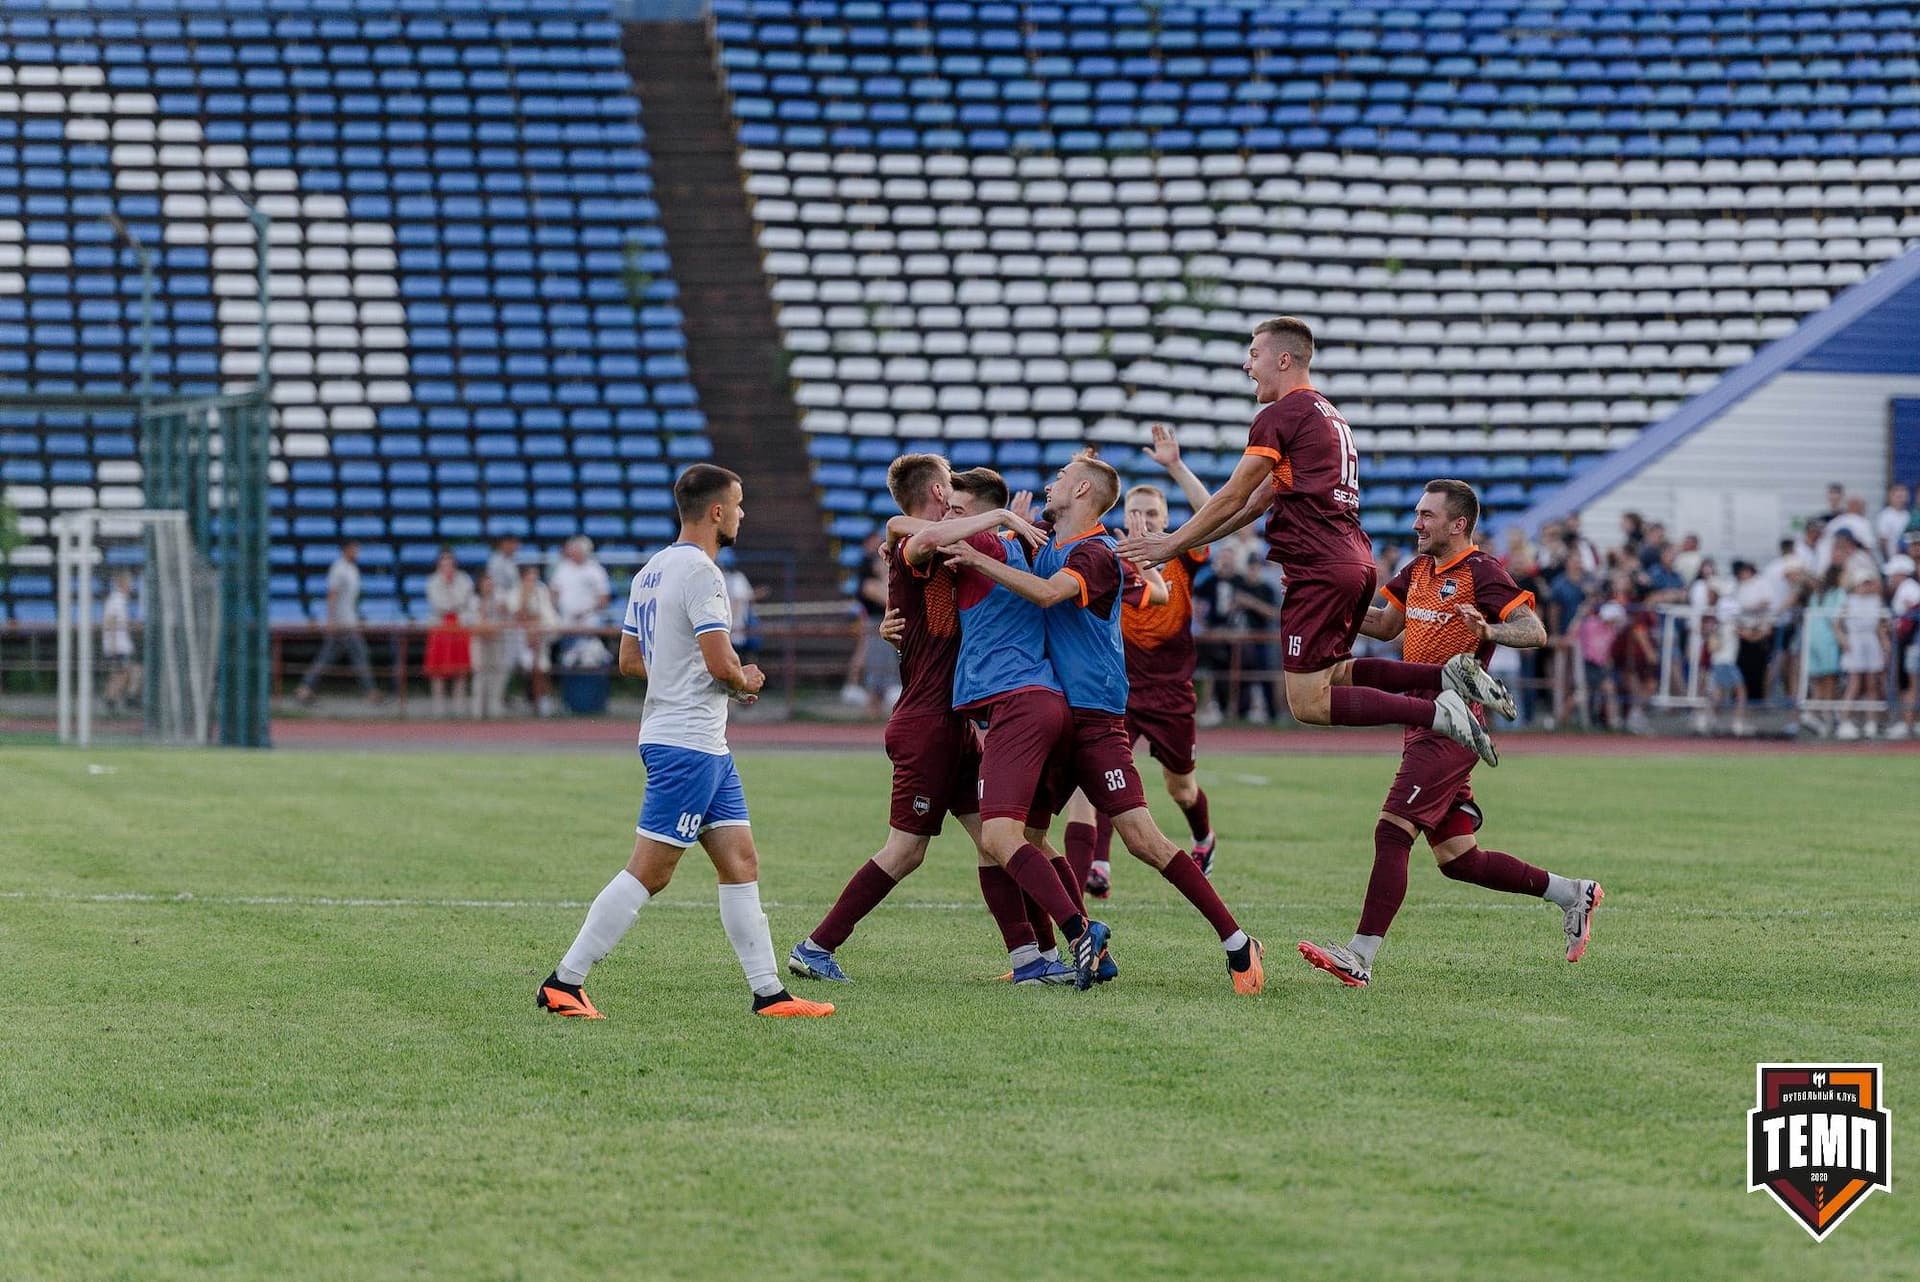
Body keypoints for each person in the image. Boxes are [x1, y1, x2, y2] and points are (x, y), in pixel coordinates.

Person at [943, 453, 1266, 995]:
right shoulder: (1048, 542)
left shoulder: (1096, 552)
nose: (1050, 484)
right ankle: (1070, 949)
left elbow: (1047, 594)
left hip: (1096, 719)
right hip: (1051, 715)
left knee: (1143, 839)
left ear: (1085, 489)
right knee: (1026, 839)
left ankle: (1237, 941)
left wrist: (980, 561)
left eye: (1061, 478)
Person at [1116, 316, 1503, 765]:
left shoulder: (1281, 414)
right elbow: (1254, 506)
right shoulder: (1328, 415)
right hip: (1353, 560)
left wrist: (1170, 544)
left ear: (1284, 359)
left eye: (1253, 354)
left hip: (1321, 567)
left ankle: (1439, 713)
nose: (1246, 365)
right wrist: (1181, 543)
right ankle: (1447, 679)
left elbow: (1235, 494)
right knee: (1335, 674)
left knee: (1308, 703)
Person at [536, 464, 833, 1021]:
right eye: (739, 505)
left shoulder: (650, 571)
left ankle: (769, 994)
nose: (742, 514)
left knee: (741, 861)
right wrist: (745, 680)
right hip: (686, 743)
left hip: (702, 742)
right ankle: (564, 982)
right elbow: (722, 662)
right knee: (652, 870)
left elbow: (629, 660)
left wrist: (687, 676)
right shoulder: (703, 573)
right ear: (717, 512)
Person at [1296, 480, 1601, 987]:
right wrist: (1319, 606)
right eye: (1417, 513)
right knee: (1459, 859)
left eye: (1426, 515)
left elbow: (1535, 631)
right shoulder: (1417, 569)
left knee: (1392, 830)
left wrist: (1490, 632)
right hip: (1420, 720)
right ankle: (1573, 893)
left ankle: (1360, 956)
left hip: (1454, 724)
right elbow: (1385, 623)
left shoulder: (1482, 572)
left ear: (1458, 524)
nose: (1416, 522)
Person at [788, 455, 1076, 986]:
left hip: (955, 724)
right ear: (940, 492)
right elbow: (905, 535)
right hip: (927, 723)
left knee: (994, 840)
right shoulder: (919, 542)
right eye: (951, 490)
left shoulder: (946, 541)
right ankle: (815, 947)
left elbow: (907, 532)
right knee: (906, 851)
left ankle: (1029, 961)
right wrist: (1001, 518)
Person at [1065, 425, 1220, 901]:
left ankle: (1203, 838)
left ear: (1167, 518)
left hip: (1172, 690)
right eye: (1135, 513)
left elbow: (1213, 514)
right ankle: (1098, 866)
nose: (1144, 520)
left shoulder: (1180, 551)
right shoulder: (1107, 555)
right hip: (1120, 687)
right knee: (1100, 781)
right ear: (1121, 516)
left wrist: (1174, 465)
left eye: (1152, 513)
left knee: (1181, 789)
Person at [295, 540, 379, 705]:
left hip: (349, 620)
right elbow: (332, 595)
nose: (357, 553)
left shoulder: (352, 569)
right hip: (342, 622)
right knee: (359, 655)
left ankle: (305, 688)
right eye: (355, 549)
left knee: (328, 657)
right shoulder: (338, 569)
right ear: (346, 549)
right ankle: (371, 692)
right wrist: (331, 620)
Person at [1834, 540, 1886, 741]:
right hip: (1855, 642)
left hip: (1871, 642)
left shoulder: (1876, 601)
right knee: (1854, 682)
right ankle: (1845, 720)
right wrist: (1843, 640)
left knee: (1872, 683)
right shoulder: (1850, 601)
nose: (1866, 586)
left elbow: (1880, 627)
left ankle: (1871, 722)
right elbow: (1837, 625)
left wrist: (1884, 643)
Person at [422, 548, 475, 717]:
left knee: (460, 668)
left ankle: (459, 706)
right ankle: (438, 706)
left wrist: (452, 592)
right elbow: (438, 603)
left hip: (459, 625)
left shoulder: (464, 579)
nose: (447, 565)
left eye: (450, 561)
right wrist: (449, 592)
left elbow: (465, 599)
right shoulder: (432, 581)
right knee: (437, 669)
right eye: (443, 562)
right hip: (440, 626)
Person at [509, 562, 558, 716]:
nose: (533, 579)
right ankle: (528, 699)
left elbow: (546, 616)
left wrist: (536, 623)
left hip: (541, 638)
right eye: (530, 576)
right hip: (519, 640)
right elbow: (517, 614)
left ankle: (543, 701)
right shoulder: (515, 592)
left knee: (542, 668)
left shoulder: (541, 590)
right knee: (527, 668)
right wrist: (525, 595)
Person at [1885, 554, 1919, 740]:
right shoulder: (1907, 589)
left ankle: (1908, 723)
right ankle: (1909, 722)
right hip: (1907, 642)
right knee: (1908, 683)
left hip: (1910, 643)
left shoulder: (1910, 589)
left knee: (1909, 683)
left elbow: (1910, 618)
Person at [470, 572, 513, 719]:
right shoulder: (474, 600)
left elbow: (507, 617)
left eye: (490, 583)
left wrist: (504, 608)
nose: (489, 587)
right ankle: (478, 712)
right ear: (480, 585)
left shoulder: (499, 597)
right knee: (480, 675)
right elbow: (476, 623)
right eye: (486, 583)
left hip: (497, 641)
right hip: (480, 641)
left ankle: (495, 709)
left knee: (498, 674)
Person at [550, 535, 612, 629]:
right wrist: (555, 611)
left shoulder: (596, 570)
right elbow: (554, 592)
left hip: (590, 620)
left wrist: (585, 612)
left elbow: (604, 598)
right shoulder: (562, 568)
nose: (573, 552)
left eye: (577, 550)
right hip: (564, 620)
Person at [100, 570, 139, 717]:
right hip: (118, 646)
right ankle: (121, 699)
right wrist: (113, 645)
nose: (132, 586)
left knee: (124, 674)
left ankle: (114, 700)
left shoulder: (121, 600)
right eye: (129, 583)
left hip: (122, 645)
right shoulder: (115, 600)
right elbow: (110, 622)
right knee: (125, 673)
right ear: (122, 584)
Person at [1876, 484, 1911, 561]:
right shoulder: (1885, 515)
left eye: (1903, 496)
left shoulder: (1908, 515)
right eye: (1898, 496)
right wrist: (1888, 559)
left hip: (1907, 557)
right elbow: (1883, 541)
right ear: (1890, 497)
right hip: (1891, 557)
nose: (1901, 499)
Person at [485, 535, 521, 600]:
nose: (516, 547)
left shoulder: (515, 558)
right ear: (505, 544)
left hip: (513, 593)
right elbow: (492, 582)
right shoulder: (495, 560)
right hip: (497, 594)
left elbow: (516, 581)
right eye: (513, 544)